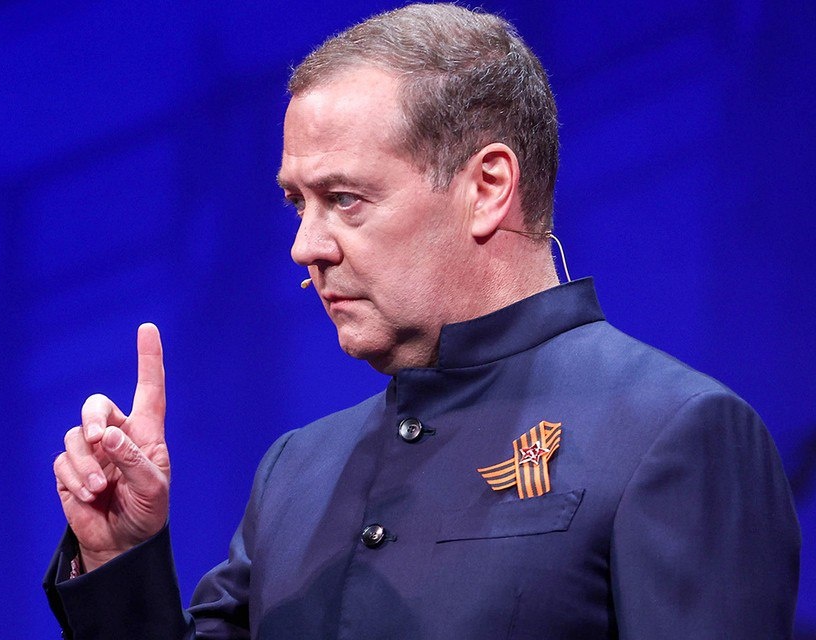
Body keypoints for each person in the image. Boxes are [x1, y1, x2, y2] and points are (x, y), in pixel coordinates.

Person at [44, 4, 800, 638]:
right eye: (297, 203)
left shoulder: (672, 431)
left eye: (344, 199)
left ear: (488, 187)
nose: (305, 246)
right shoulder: (295, 472)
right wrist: (120, 558)